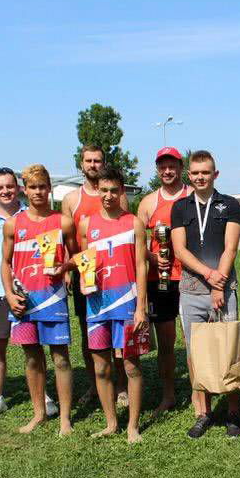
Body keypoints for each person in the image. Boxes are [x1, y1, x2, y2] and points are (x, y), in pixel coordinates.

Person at [0, 167, 58, 422]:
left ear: (18, 188)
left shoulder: (31, 215)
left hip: (31, 291)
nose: (6, 191)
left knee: (34, 346)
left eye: (10, 186)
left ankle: (42, 394)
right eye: (0, 188)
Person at [170, 150, 240, 439]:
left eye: (206, 172)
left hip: (224, 289)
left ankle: (234, 412)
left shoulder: (231, 204)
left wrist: (218, 284)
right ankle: (203, 412)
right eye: (196, 173)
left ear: (215, 174)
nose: (201, 177)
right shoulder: (180, 207)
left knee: (229, 347)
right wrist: (209, 276)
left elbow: (231, 248)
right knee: (194, 352)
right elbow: (180, 250)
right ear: (189, 175)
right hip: (191, 291)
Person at [2, 164, 76, 435]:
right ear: (25, 189)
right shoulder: (13, 224)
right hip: (24, 302)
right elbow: (5, 262)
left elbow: (78, 257)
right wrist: (9, 294)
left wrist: (65, 268)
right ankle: (39, 414)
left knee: (61, 359)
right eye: (32, 187)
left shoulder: (63, 222)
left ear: (50, 188)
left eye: (42, 187)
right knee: (32, 359)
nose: (38, 192)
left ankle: (65, 417)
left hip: (53, 300)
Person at [79, 166, 149, 442]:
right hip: (97, 306)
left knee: (131, 367)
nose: (108, 196)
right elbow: (85, 261)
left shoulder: (134, 223)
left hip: (128, 305)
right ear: (97, 190)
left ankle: (132, 425)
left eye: (114, 190)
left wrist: (141, 306)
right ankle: (111, 423)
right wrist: (85, 280)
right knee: (101, 367)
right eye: (104, 190)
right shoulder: (87, 225)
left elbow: (141, 266)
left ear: (122, 191)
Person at [61, 144, 129, 407]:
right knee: (89, 334)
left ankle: (121, 386)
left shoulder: (114, 193)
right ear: (81, 164)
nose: (93, 165)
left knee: (118, 337)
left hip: (115, 277)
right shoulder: (70, 199)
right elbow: (68, 239)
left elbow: (125, 229)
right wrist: (69, 272)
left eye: (97, 160)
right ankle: (95, 385)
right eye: (88, 161)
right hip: (85, 276)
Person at [136, 147, 190, 416]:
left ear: (181, 168)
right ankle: (168, 395)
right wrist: (153, 258)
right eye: (162, 167)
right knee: (167, 343)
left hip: (191, 277)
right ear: (157, 170)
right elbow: (138, 244)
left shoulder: (192, 195)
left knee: (196, 339)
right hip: (161, 280)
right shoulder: (148, 203)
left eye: (172, 166)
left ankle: (200, 392)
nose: (167, 171)